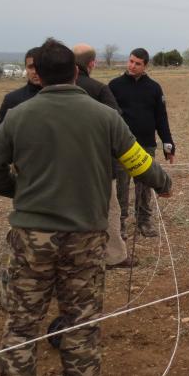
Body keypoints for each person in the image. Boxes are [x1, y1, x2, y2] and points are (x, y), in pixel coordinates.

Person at [0, 38, 172, 376]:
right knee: (81, 326)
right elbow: (138, 161)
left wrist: (23, 194)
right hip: (85, 237)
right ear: (76, 72)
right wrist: (164, 183)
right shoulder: (105, 116)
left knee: (21, 326)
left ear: (40, 74)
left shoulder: (18, 115)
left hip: (31, 239)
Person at [71, 43, 132, 269]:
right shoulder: (99, 89)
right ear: (92, 63)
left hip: (62, 168)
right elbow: (117, 124)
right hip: (98, 166)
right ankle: (114, 256)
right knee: (110, 210)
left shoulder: (49, 88)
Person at [108, 48, 175, 238]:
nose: (132, 66)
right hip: (121, 147)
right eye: (130, 61)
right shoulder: (114, 86)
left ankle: (144, 221)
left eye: (137, 63)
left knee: (145, 185)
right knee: (120, 187)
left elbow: (161, 118)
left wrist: (168, 144)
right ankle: (119, 225)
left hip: (146, 145)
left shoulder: (154, 88)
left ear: (145, 65)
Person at [0, 47, 42, 137]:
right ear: (26, 68)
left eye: (39, 66)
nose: (35, 71)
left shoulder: (57, 97)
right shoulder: (13, 99)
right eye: (31, 67)